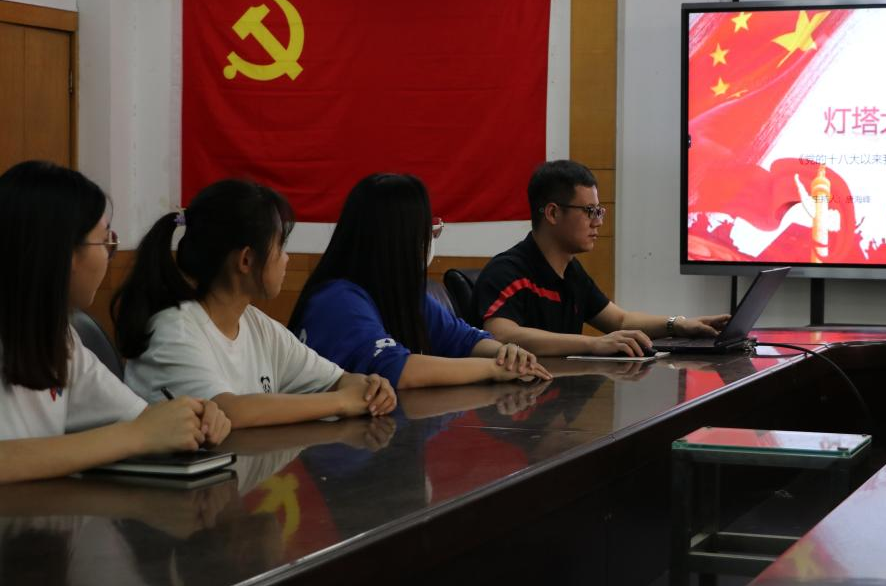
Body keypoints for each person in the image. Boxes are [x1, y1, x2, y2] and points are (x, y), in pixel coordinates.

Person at [0, 161, 229, 484]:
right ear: (64, 252)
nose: (110, 256)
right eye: (105, 243)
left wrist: (195, 417)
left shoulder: (59, 337)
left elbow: (139, 418)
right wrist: (137, 435)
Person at [113, 179, 396, 428]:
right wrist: (342, 402)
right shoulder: (174, 331)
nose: (286, 259)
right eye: (280, 246)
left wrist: (369, 387)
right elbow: (229, 411)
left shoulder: (256, 324)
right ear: (246, 260)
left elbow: (336, 380)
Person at [289, 173, 551, 388]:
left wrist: (505, 353)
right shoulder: (337, 299)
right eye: (426, 229)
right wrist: (493, 368)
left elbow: (462, 339)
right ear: (399, 239)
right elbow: (399, 371)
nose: (430, 239)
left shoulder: (401, 293)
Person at [472, 160, 731, 356]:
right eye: (589, 211)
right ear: (552, 213)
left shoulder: (571, 271)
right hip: (517, 403)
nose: (597, 222)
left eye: (599, 211)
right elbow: (500, 334)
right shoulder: (508, 271)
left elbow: (620, 321)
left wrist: (679, 324)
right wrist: (593, 344)